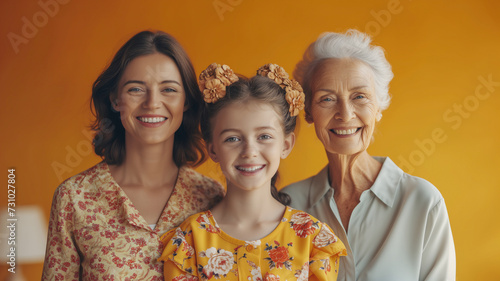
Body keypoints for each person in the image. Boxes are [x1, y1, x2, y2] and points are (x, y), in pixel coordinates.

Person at [42, 31, 225, 280]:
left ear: (187, 101)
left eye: (168, 89)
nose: (152, 103)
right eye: (136, 89)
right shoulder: (74, 198)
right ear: (115, 99)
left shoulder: (211, 197)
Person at [281, 29, 456, 281]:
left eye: (359, 97)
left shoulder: (423, 202)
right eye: (327, 99)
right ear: (308, 112)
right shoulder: (289, 204)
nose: (345, 113)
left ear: (379, 107)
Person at [159, 63, 347, 280]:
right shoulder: (189, 241)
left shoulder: (311, 239)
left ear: (285, 145)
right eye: (233, 139)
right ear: (213, 149)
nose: (249, 151)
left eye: (264, 136)